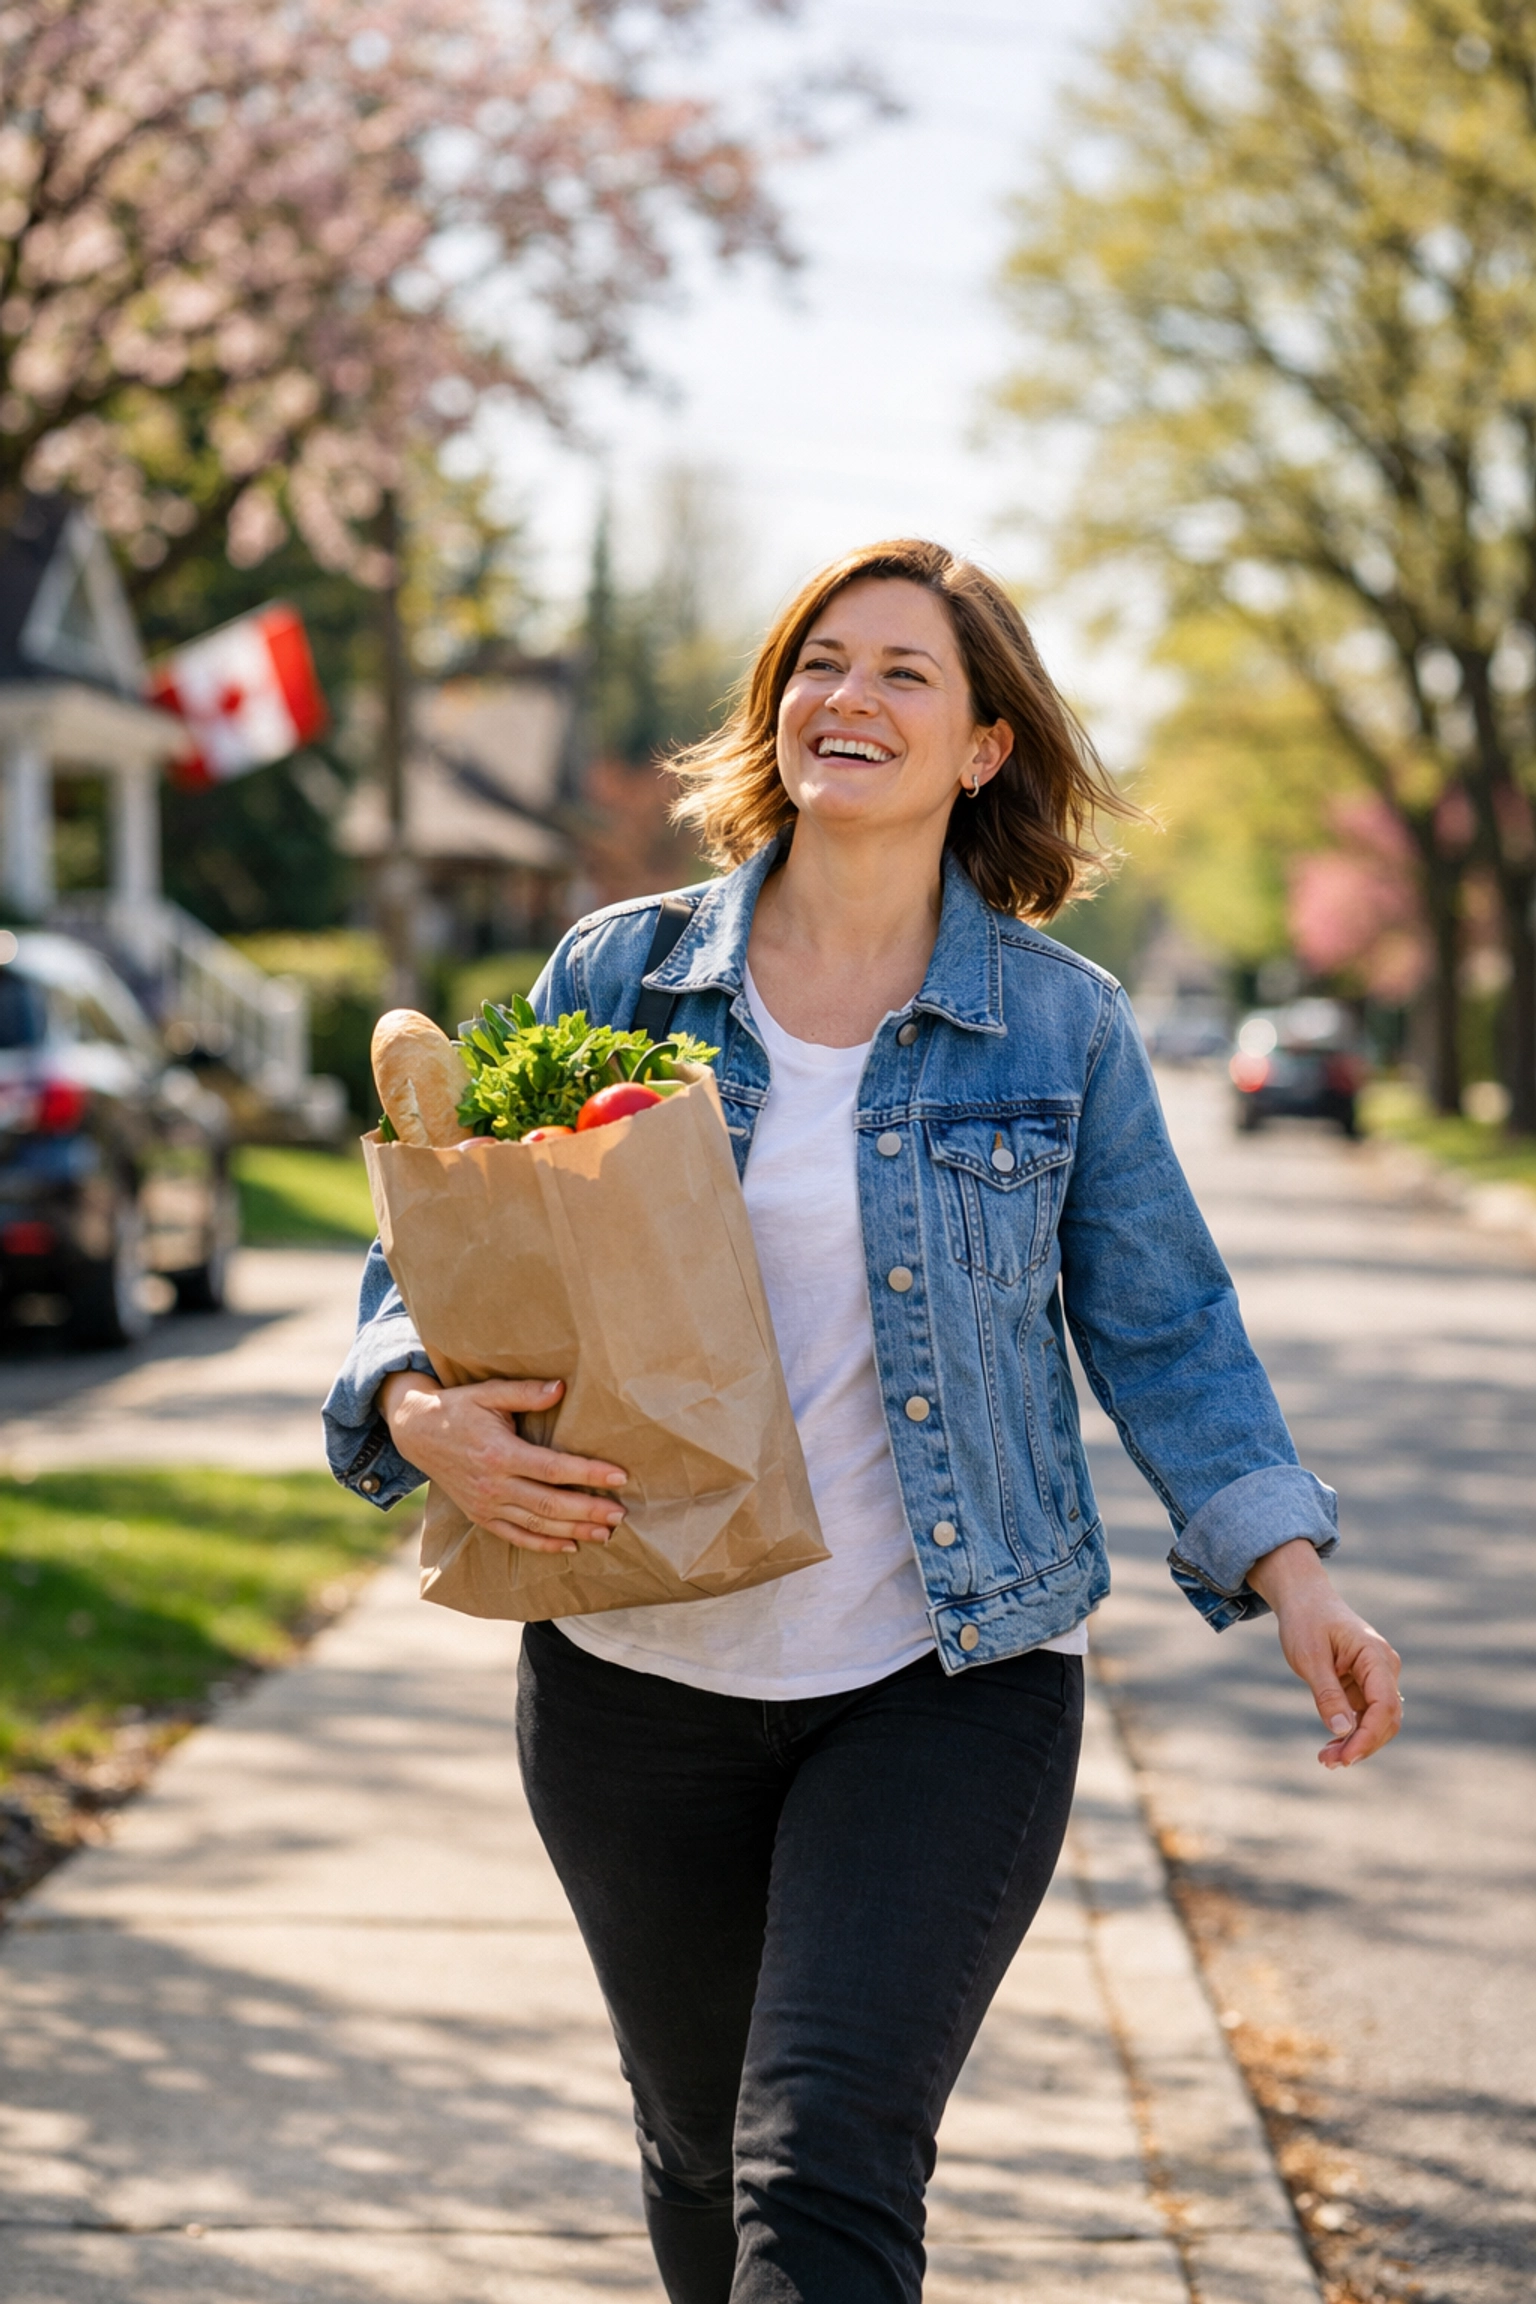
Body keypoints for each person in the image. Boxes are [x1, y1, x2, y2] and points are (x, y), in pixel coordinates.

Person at [324, 537, 1403, 2304]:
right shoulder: (625, 977)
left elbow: (1168, 1327)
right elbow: (440, 1243)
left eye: (907, 671)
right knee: (696, 2148)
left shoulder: (1061, 1027)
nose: (852, 697)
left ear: (984, 744)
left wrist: (1294, 1579)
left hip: (943, 1683)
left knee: (822, 2160)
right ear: (778, 708)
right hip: (633, 1675)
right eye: (822, 662)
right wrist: (414, 1403)